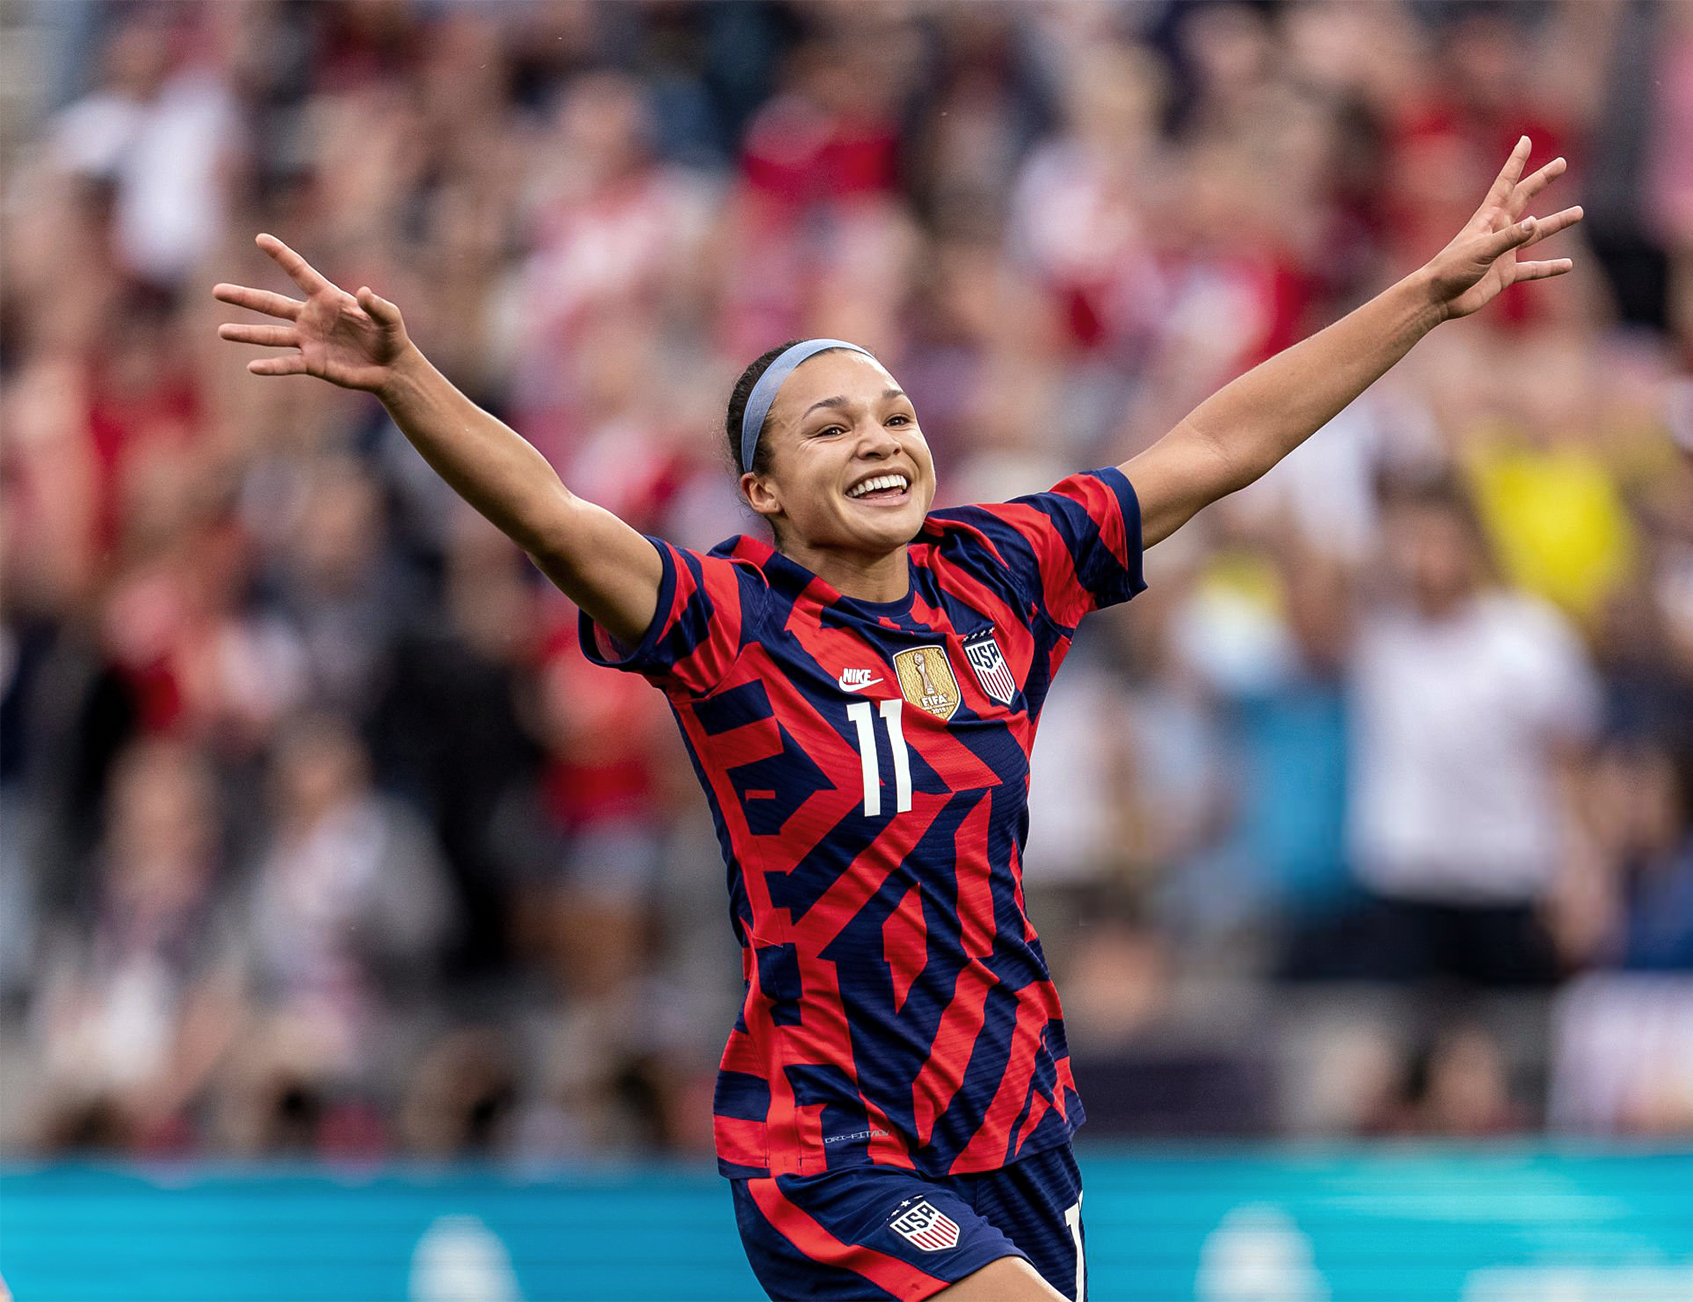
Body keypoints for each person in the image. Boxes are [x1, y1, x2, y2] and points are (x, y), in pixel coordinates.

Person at [216, 138, 1579, 1302]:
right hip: (834, 1140)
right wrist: (409, 383)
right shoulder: (723, 623)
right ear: (760, 488)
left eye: (895, 412)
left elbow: (1216, 447)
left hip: (1021, 1119)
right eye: (827, 428)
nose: (878, 440)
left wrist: (1425, 298)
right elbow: (553, 516)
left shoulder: (1004, 572)